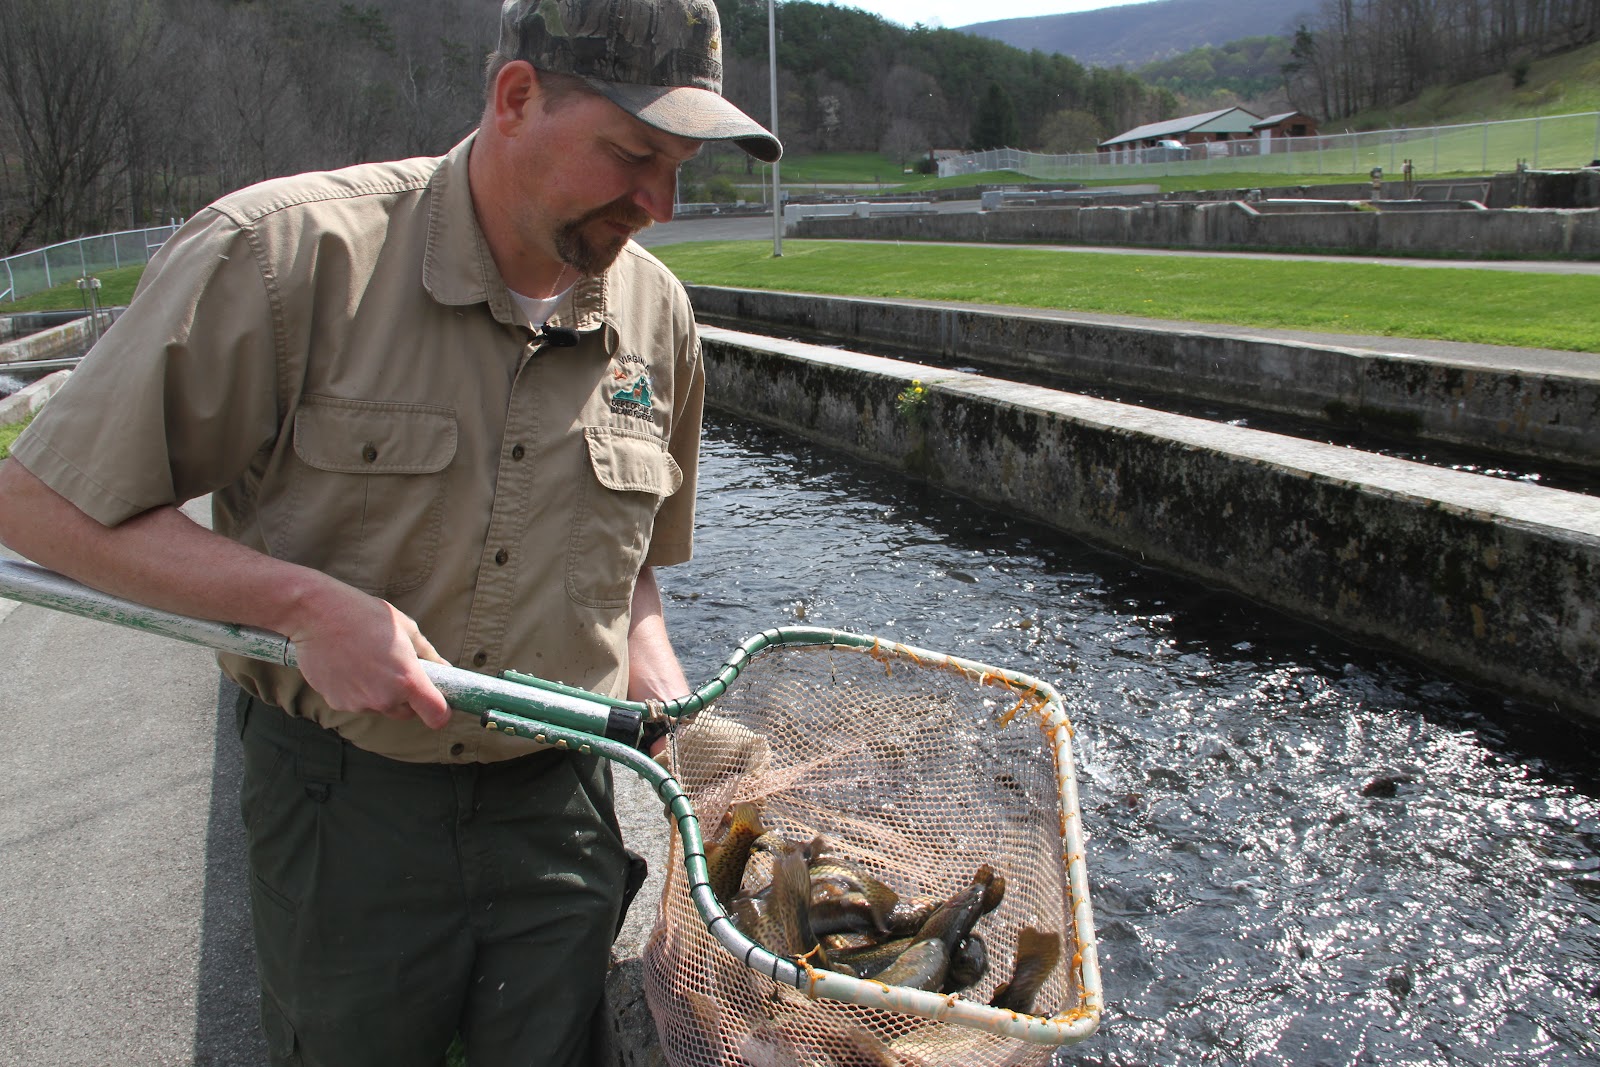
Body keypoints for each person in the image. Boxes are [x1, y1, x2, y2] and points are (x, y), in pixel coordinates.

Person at [0, 0, 780, 1062]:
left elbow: (632, 570)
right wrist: (300, 604)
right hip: (344, 810)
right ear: (516, 99)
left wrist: (664, 696)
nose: (661, 201)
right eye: (633, 152)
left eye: (681, 163)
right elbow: (36, 503)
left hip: (562, 809)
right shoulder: (284, 257)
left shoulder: (661, 319)